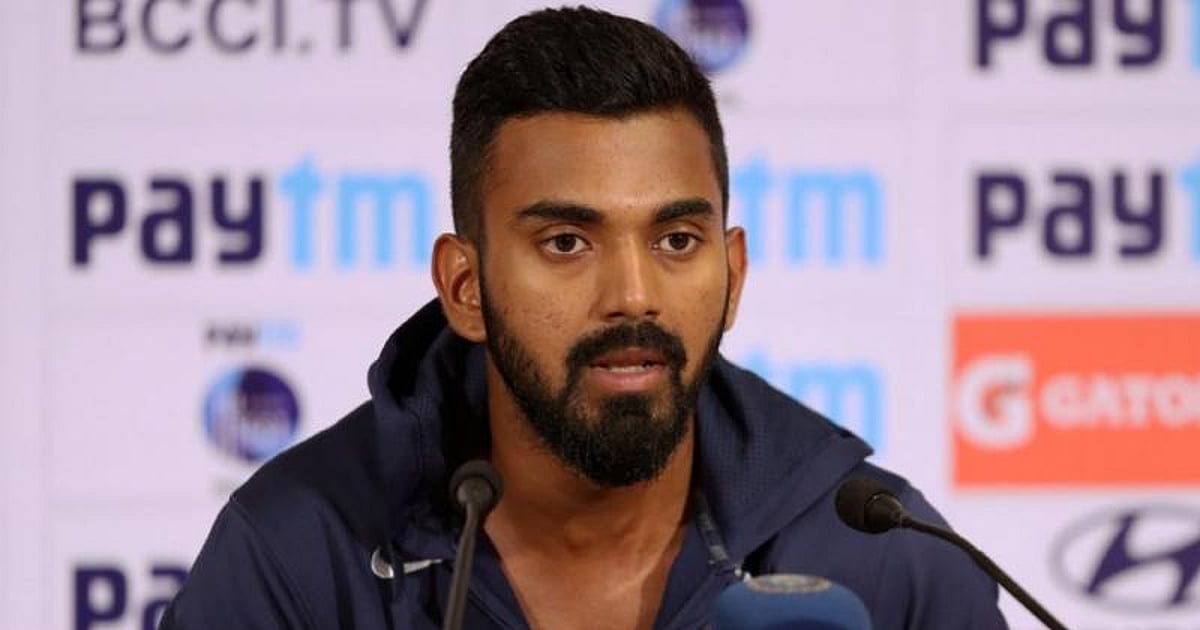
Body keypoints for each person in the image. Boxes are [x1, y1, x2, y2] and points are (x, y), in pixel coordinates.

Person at [160, 6, 1007, 629]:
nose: (633, 295)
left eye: (676, 240)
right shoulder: (299, 554)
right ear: (465, 287)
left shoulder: (883, 561)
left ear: (734, 274)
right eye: (567, 242)